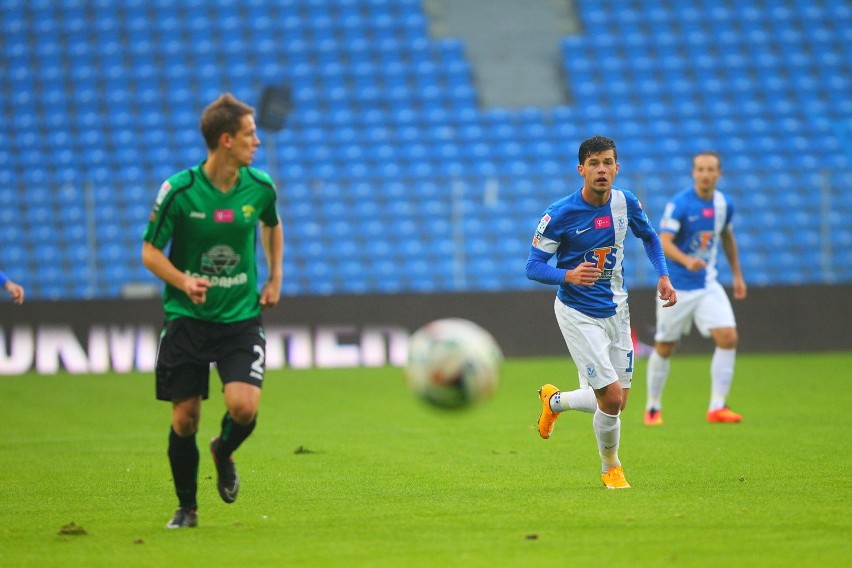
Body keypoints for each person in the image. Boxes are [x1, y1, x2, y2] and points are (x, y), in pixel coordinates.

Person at [141, 93, 284, 529]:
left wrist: (275, 278)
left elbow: (272, 226)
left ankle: (223, 449)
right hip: (187, 317)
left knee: (243, 407)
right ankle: (187, 508)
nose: (257, 141)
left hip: (240, 316)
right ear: (226, 140)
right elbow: (149, 252)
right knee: (185, 418)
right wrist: (183, 280)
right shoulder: (179, 191)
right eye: (249, 134)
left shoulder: (259, 187)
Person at [526, 135, 677, 489]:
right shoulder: (559, 214)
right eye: (593, 163)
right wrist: (568, 275)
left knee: (616, 402)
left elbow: (651, 237)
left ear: (616, 168)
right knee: (608, 396)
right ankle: (611, 467)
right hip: (577, 313)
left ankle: (555, 401)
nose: (601, 170)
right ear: (581, 170)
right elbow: (533, 266)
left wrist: (664, 275)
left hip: (616, 311)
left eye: (607, 162)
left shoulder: (626, 203)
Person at [644, 151, 747, 426]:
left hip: (707, 283)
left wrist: (737, 275)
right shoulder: (679, 204)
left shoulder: (725, 204)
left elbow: (727, 237)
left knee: (728, 336)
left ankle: (717, 406)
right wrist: (687, 260)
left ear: (719, 173)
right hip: (676, 286)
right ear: (694, 173)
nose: (705, 174)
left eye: (711, 169)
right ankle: (653, 407)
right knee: (665, 347)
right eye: (700, 169)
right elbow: (663, 241)